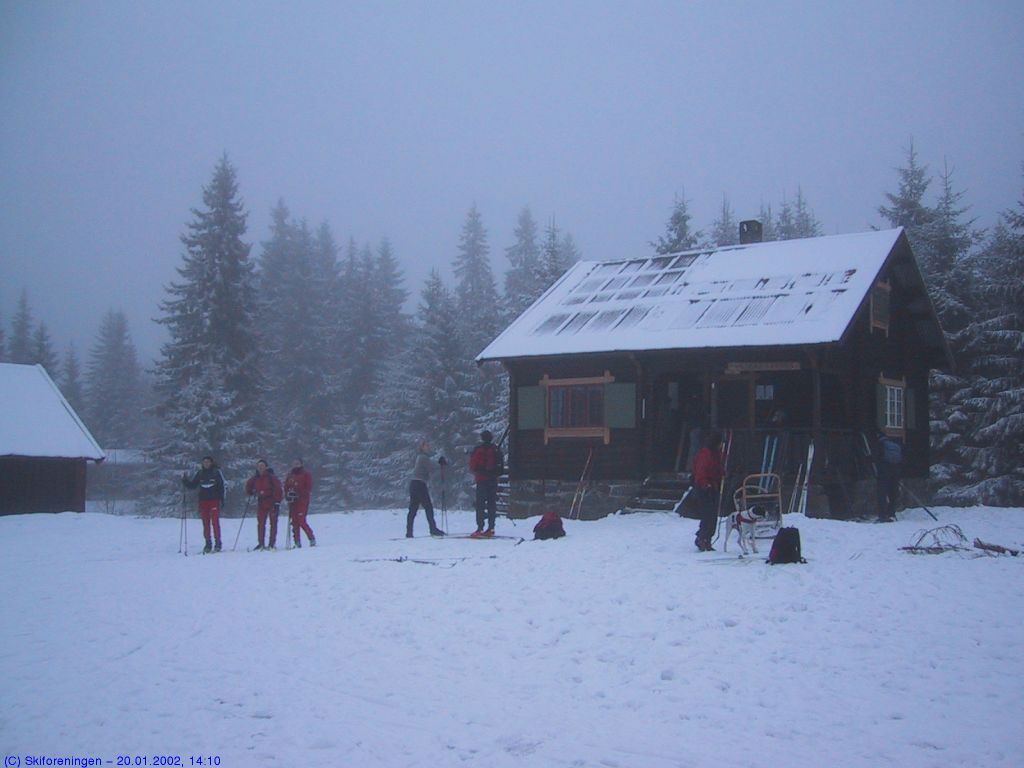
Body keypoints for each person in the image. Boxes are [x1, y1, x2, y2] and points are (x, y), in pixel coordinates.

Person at [183, 455, 226, 553]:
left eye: (208, 462)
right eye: (204, 462)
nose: (206, 464)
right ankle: (208, 543)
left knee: (215, 522)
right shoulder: (200, 473)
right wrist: (185, 481)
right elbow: (193, 485)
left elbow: (221, 487)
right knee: (205, 523)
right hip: (203, 501)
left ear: (211, 463)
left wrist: (222, 499)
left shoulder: (216, 473)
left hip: (214, 500)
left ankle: (218, 543)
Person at [692, 431, 724, 551]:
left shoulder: (717, 454)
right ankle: (702, 538)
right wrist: (705, 484)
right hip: (704, 487)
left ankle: (708, 538)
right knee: (707, 515)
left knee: (713, 515)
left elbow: (717, 468)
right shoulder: (706, 454)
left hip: (714, 486)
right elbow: (701, 471)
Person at [468, 430, 504, 537]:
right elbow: (500, 467)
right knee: (491, 504)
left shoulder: (478, 450)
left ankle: (480, 528)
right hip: (493, 480)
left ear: (482, 438)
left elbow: (472, 465)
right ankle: (491, 528)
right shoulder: (496, 449)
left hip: (482, 480)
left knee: (480, 505)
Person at [407, 441, 445, 538]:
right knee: (428, 507)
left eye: (428, 445)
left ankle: (409, 531)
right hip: (420, 484)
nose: (428, 447)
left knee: (413, 509)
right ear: (422, 447)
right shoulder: (423, 457)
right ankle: (433, 529)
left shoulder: (420, 457)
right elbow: (432, 467)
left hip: (414, 483)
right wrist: (441, 463)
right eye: (426, 446)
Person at [245, 458, 283, 550]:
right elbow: (248, 485)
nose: (260, 468)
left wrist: (277, 501)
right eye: (259, 466)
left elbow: (278, 488)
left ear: (266, 467)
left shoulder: (271, 477)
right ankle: (261, 543)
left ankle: (271, 543)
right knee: (261, 523)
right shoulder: (255, 478)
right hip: (261, 502)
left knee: (273, 523)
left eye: (262, 466)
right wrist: (250, 491)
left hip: (272, 502)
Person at [284, 458, 316, 547]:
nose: (296, 465)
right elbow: (286, 486)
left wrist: (298, 493)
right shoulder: (290, 475)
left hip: (302, 500)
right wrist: (288, 495)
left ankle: (311, 538)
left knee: (301, 520)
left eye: (297, 463)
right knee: (294, 521)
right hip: (293, 501)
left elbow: (308, 487)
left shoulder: (306, 474)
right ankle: (297, 541)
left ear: (301, 464)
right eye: (294, 463)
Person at [876, 432, 903, 522]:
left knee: (882, 493)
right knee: (893, 492)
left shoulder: (880, 444)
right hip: (895, 470)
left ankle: (882, 515)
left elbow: (878, 457)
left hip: (884, 471)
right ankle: (891, 513)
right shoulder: (895, 445)